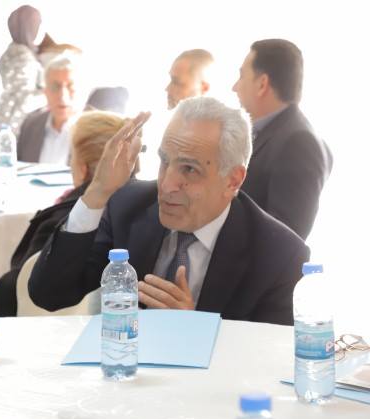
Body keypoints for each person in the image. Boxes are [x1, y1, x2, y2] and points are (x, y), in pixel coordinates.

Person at [28, 97, 310, 326]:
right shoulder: (128, 206)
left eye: (189, 169)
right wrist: (98, 192)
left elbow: (267, 363)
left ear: (233, 180)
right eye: (165, 162)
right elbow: (49, 294)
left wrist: (194, 331)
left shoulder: (280, 256)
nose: (166, 185)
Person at [0, 110, 131, 316]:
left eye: (71, 158)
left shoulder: (62, 222)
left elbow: (23, 284)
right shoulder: (133, 216)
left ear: (82, 168)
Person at [233, 39, 333, 240]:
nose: (234, 87)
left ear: (262, 84)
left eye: (242, 76)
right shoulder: (270, 132)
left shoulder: (299, 143)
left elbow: (285, 236)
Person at [0, 4, 46, 136]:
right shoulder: (23, 57)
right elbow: (24, 97)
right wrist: (48, 94)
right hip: (17, 125)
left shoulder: (12, 52)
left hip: (5, 119)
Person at [17, 53, 81, 164]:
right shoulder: (30, 125)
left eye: (70, 86)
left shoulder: (94, 132)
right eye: (55, 87)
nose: (63, 96)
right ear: (45, 92)